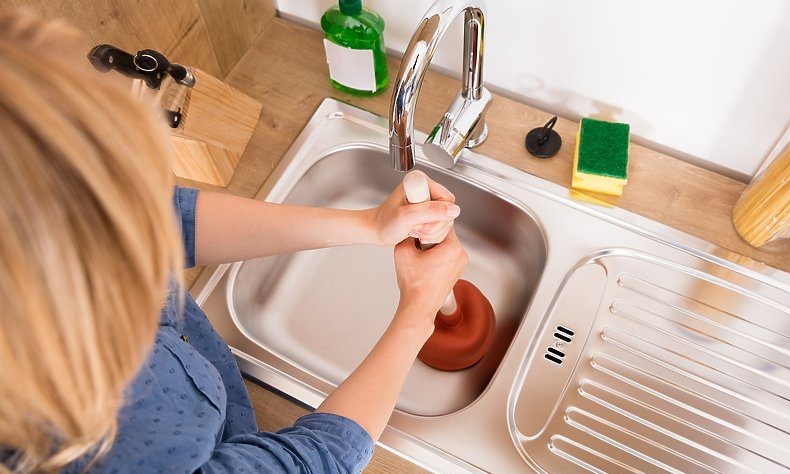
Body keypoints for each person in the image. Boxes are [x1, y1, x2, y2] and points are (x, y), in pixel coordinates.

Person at [0, 12, 467, 474]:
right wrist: (418, 313)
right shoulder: (94, 449)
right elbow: (307, 464)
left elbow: (164, 221)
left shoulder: (43, 223)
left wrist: (368, 225)